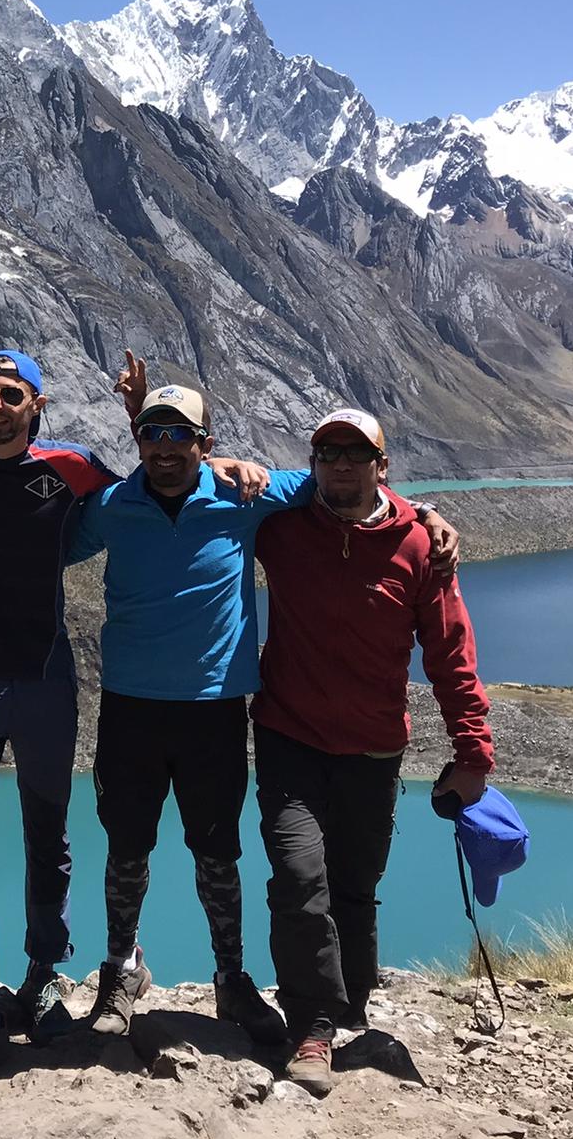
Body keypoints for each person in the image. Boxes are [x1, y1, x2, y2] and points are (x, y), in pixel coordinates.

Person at [77, 357, 459, 1050]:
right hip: (131, 706)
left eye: (180, 436)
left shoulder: (246, 497)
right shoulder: (111, 508)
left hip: (215, 710)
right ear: (138, 438)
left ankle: (231, 978)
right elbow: (37, 541)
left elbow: (350, 485)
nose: (165, 449)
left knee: (217, 851)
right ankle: (121, 969)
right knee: (127, 849)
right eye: (152, 435)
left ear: (205, 443)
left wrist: (426, 516)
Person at [251, 408, 494, 1097]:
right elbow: (214, 505)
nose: (342, 464)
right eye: (329, 452)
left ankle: (352, 1007)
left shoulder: (421, 546)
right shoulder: (283, 528)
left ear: (382, 465)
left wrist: (472, 750)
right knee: (301, 879)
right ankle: (313, 1027)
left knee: (355, 888)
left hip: (373, 747)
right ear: (314, 462)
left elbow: (451, 654)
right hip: (288, 737)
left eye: (357, 453)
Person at [0, 348, 128, 1091]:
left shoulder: (70, 466)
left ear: (36, 404)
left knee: (49, 833)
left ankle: (44, 973)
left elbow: (151, 491)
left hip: (45, 681)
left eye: (12, 393)